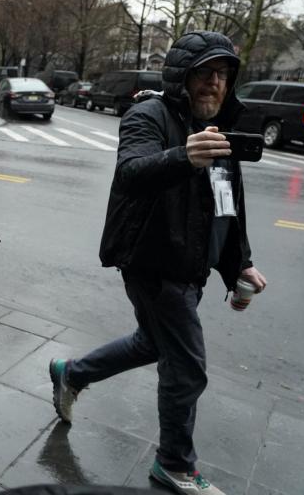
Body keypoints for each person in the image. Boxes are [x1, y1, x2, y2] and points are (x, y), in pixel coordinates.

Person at [48, 31, 268, 495]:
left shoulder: (223, 128)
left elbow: (227, 206)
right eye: (205, 73)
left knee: (152, 343)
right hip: (152, 260)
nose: (215, 83)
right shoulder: (148, 115)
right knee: (187, 367)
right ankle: (174, 465)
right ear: (182, 76)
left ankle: (72, 373)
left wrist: (238, 267)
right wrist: (182, 157)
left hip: (191, 267)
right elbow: (131, 172)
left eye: (224, 75)